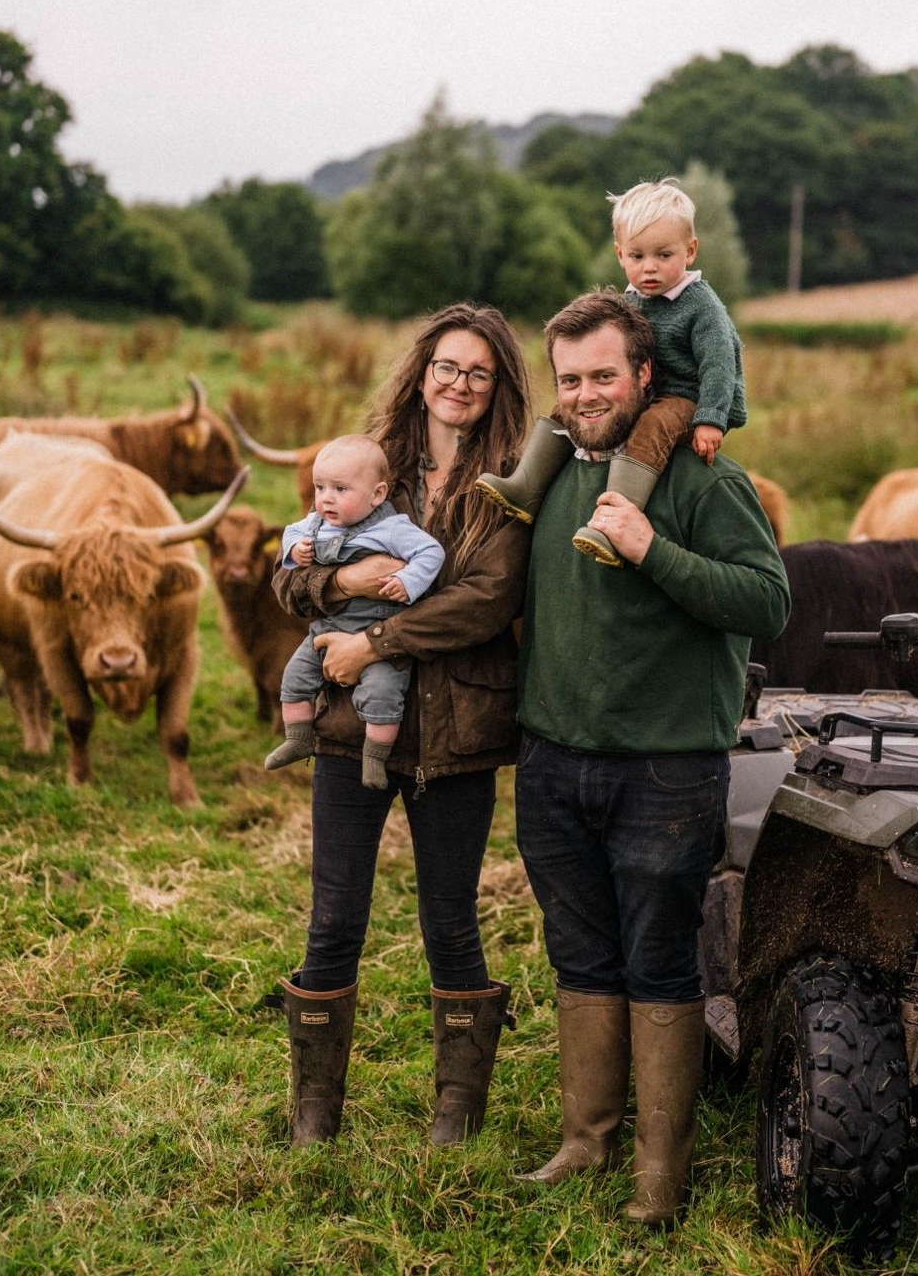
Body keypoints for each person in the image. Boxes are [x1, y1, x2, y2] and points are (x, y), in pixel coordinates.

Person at [514, 292, 789, 1225]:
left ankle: (659, 1175)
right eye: (570, 379)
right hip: (553, 761)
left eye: (603, 375)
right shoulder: (546, 478)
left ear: (642, 375)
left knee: (660, 960)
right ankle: (585, 1142)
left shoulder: (701, 483)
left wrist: (652, 549)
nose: (587, 394)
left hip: (668, 769)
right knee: (580, 950)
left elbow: (766, 602)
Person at [269, 303, 534, 1149]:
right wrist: (336, 591)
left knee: (450, 918)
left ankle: (455, 1115)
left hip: (458, 737)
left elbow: (487, 600)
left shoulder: (513, 485)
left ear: (498, 390)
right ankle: (314, 1113)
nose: (460, 383)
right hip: (351, 731)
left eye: (479, 372)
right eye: (447, 366)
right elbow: (291, 573)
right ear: (423, 373)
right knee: (334, 915)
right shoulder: (367, 466)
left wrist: (374, 638)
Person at [476, 177, 748, 566]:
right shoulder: (631, 300)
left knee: (653, 426)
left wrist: (710, 419)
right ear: (621, 255)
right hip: (648, 388)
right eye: (638, 257)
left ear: (689, 252)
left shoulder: (701, 306)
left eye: (664, 255)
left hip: (690, 394)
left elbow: (721, 365)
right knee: (567, 406)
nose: (649, 268)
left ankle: (615, 522)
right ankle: (526, 486)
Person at [265, 434, 446, 790]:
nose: (325, 498)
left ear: (377, 495)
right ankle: (297, 738)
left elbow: (432, 554)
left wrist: (408, 581)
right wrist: (295, 551)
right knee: (295, 676)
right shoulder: (317, 522)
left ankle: (374, 758)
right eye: (320, 487)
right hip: (329, 627)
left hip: (380, 629)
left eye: (339, 490)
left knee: (382, 693)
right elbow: (290, 534)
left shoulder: (392, 528)